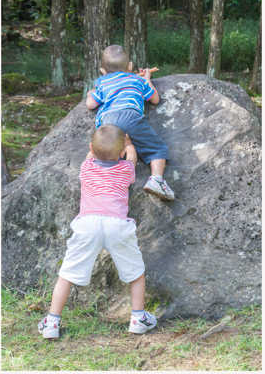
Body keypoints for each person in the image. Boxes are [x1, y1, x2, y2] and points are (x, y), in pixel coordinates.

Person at [38, 125, 157, 339]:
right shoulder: (125, 170)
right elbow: (131, 158)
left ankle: (52, 322)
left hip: (88, 225)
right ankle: (138, 317)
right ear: (121, 153)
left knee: (67, 274)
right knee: (136, 273)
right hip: (117, 225)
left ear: (91, 148)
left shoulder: (86, 168)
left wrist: (96, 148)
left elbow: (91, 154)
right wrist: (129, 146)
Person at [86, 44, 174, 202]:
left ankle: (97, 176)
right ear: (130, 66)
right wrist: (146, 80)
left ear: (102, 70)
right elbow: (155, 99)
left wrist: (90, 93)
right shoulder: (136, 80)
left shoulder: (102, 82)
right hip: (131, 117)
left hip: (107, 121)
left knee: (104, 148)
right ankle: (156, 180)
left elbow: (91, 104)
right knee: (156, 148)